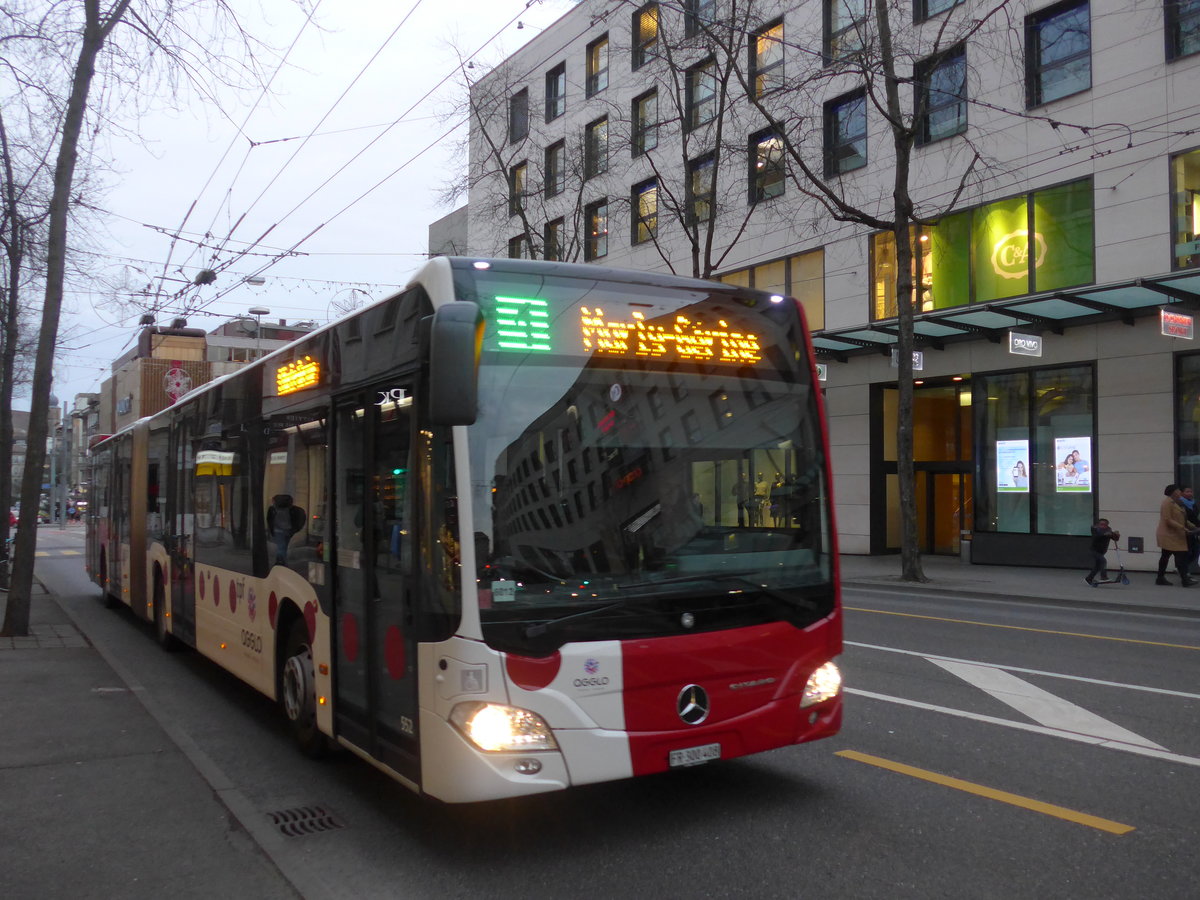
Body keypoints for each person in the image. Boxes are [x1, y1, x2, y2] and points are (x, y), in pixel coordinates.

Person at [1155, 483, 1194, 586]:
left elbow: (1183, 518)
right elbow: (1167, 519)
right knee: (1180, 557)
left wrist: (1192, 526)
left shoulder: (1177, 502)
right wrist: (1182, 528)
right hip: (1169, 535)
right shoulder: (1167, 503)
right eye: (1178, 490)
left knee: (1166, 556)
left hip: (1175, 535)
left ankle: (1160, 578)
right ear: (1173, 492)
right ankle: (1185, 580)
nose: (1180, 492)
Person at [267, 494, 306, 565]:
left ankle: (280, 561)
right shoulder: (292, 509)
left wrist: (271, 530)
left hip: (278, 531)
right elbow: (300, 519)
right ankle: (282, 561)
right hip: (288, 530)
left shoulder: (273, 509)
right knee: (283, 546)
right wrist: (294, 529)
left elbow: (270, 520)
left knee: (281, 546)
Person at [1085, 518, 1120, 586]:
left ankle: (1089, 578)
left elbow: (1114, 538)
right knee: (1103, 561)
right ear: (1098, 524)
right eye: (1101, 524)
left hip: (1102, 551)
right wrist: (1105, 534)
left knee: (1097, 566)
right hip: (1094, 550)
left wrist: (1116, 535)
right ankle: (1103, 577)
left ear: (1107, 525)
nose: (1103, 526)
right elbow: (1096, 536)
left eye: (1105, 525)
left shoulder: (1108, 530)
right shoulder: (1095, 529)